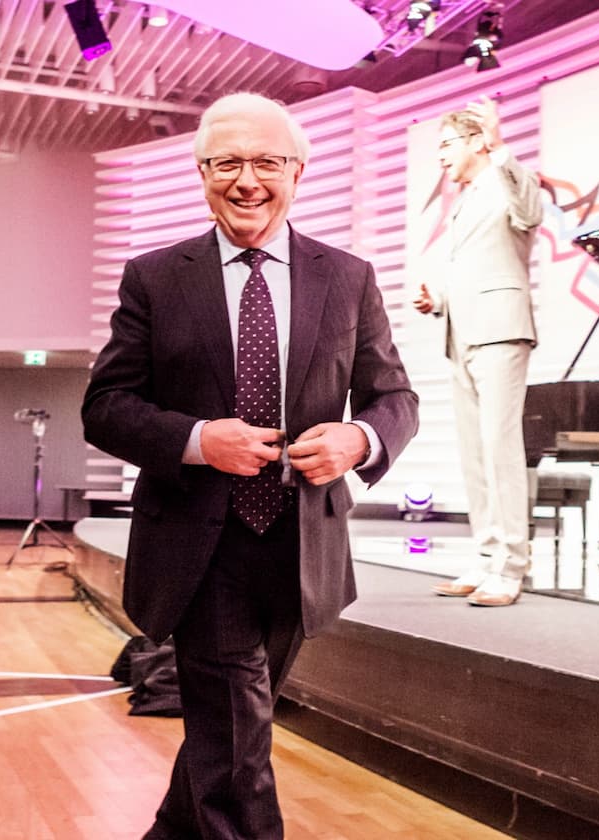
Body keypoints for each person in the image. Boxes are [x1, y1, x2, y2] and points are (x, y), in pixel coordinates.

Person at [83, 92, 418, 840]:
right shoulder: (154, 277)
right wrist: (202, 439)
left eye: (267, 161)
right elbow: (105, 406)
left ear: (298, 170)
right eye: (226, 162)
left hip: (305, 546)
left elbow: (395, 395)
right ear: (201, 171)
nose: (247, 180)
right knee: (236, 730)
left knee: (229, 728)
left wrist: (357, 441)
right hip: (201, 544)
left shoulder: (350, 277)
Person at [412, 96, 545, 608]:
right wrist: (438, 298)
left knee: (499, 449)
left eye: (446, 145)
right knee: (473, 455)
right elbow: (475, 266)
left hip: (501, 331)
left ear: (475, 142)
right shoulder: (464, 200)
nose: (441, 156)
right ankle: (487, 556)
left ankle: (512, 566)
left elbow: (530, 211)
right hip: (460, 332)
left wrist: (499, 144)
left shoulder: (507, 181)